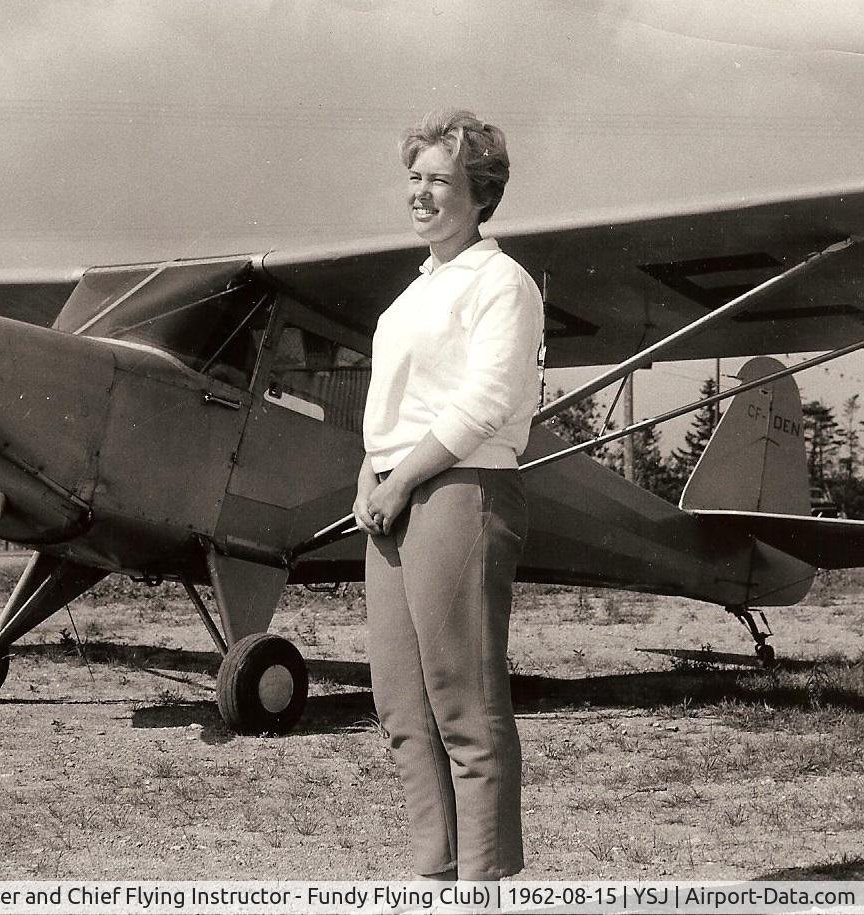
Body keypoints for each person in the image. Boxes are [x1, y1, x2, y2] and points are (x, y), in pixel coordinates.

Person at [353, 108, 544, 881]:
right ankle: (430, 873)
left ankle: (484, 882)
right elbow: (388, 408)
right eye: (414, 177)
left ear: (480, 192)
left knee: (463, 702)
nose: (420, 193)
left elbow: (483, 402)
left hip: (461, 490)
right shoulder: (411, 295)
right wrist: (371, 471)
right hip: (395, 495)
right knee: (402, 707)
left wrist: (400, 477)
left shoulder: (501, 282)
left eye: (439, 179)